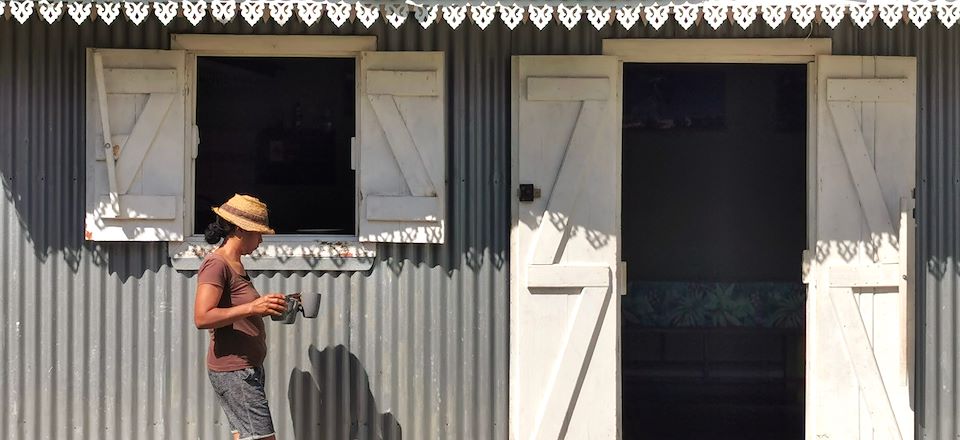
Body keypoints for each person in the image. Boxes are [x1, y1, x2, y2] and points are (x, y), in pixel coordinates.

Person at [194, 194, 295, 440]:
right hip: (235, 371)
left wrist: (270, 306)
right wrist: (253, 308)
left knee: (245, 435)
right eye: (258, 233)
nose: (261, 240)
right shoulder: (217, 264)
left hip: (246, 368)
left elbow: (240, 309)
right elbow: (202, 317)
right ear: (240, 229)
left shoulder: (235, 263)